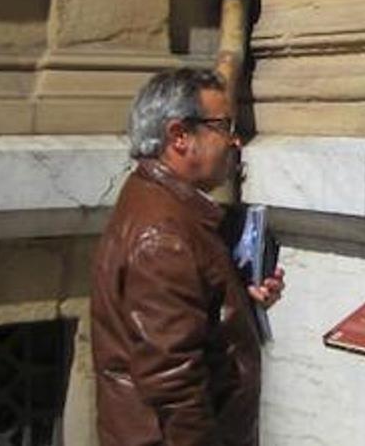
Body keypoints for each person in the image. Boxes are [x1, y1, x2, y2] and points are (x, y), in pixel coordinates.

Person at [91, 66, 285, 446]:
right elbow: (172, 381)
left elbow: (185, 323)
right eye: (222, 126)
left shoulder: (171, 209)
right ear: (179, 136)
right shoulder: (164, 235)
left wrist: (239, 302)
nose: (235, 141)